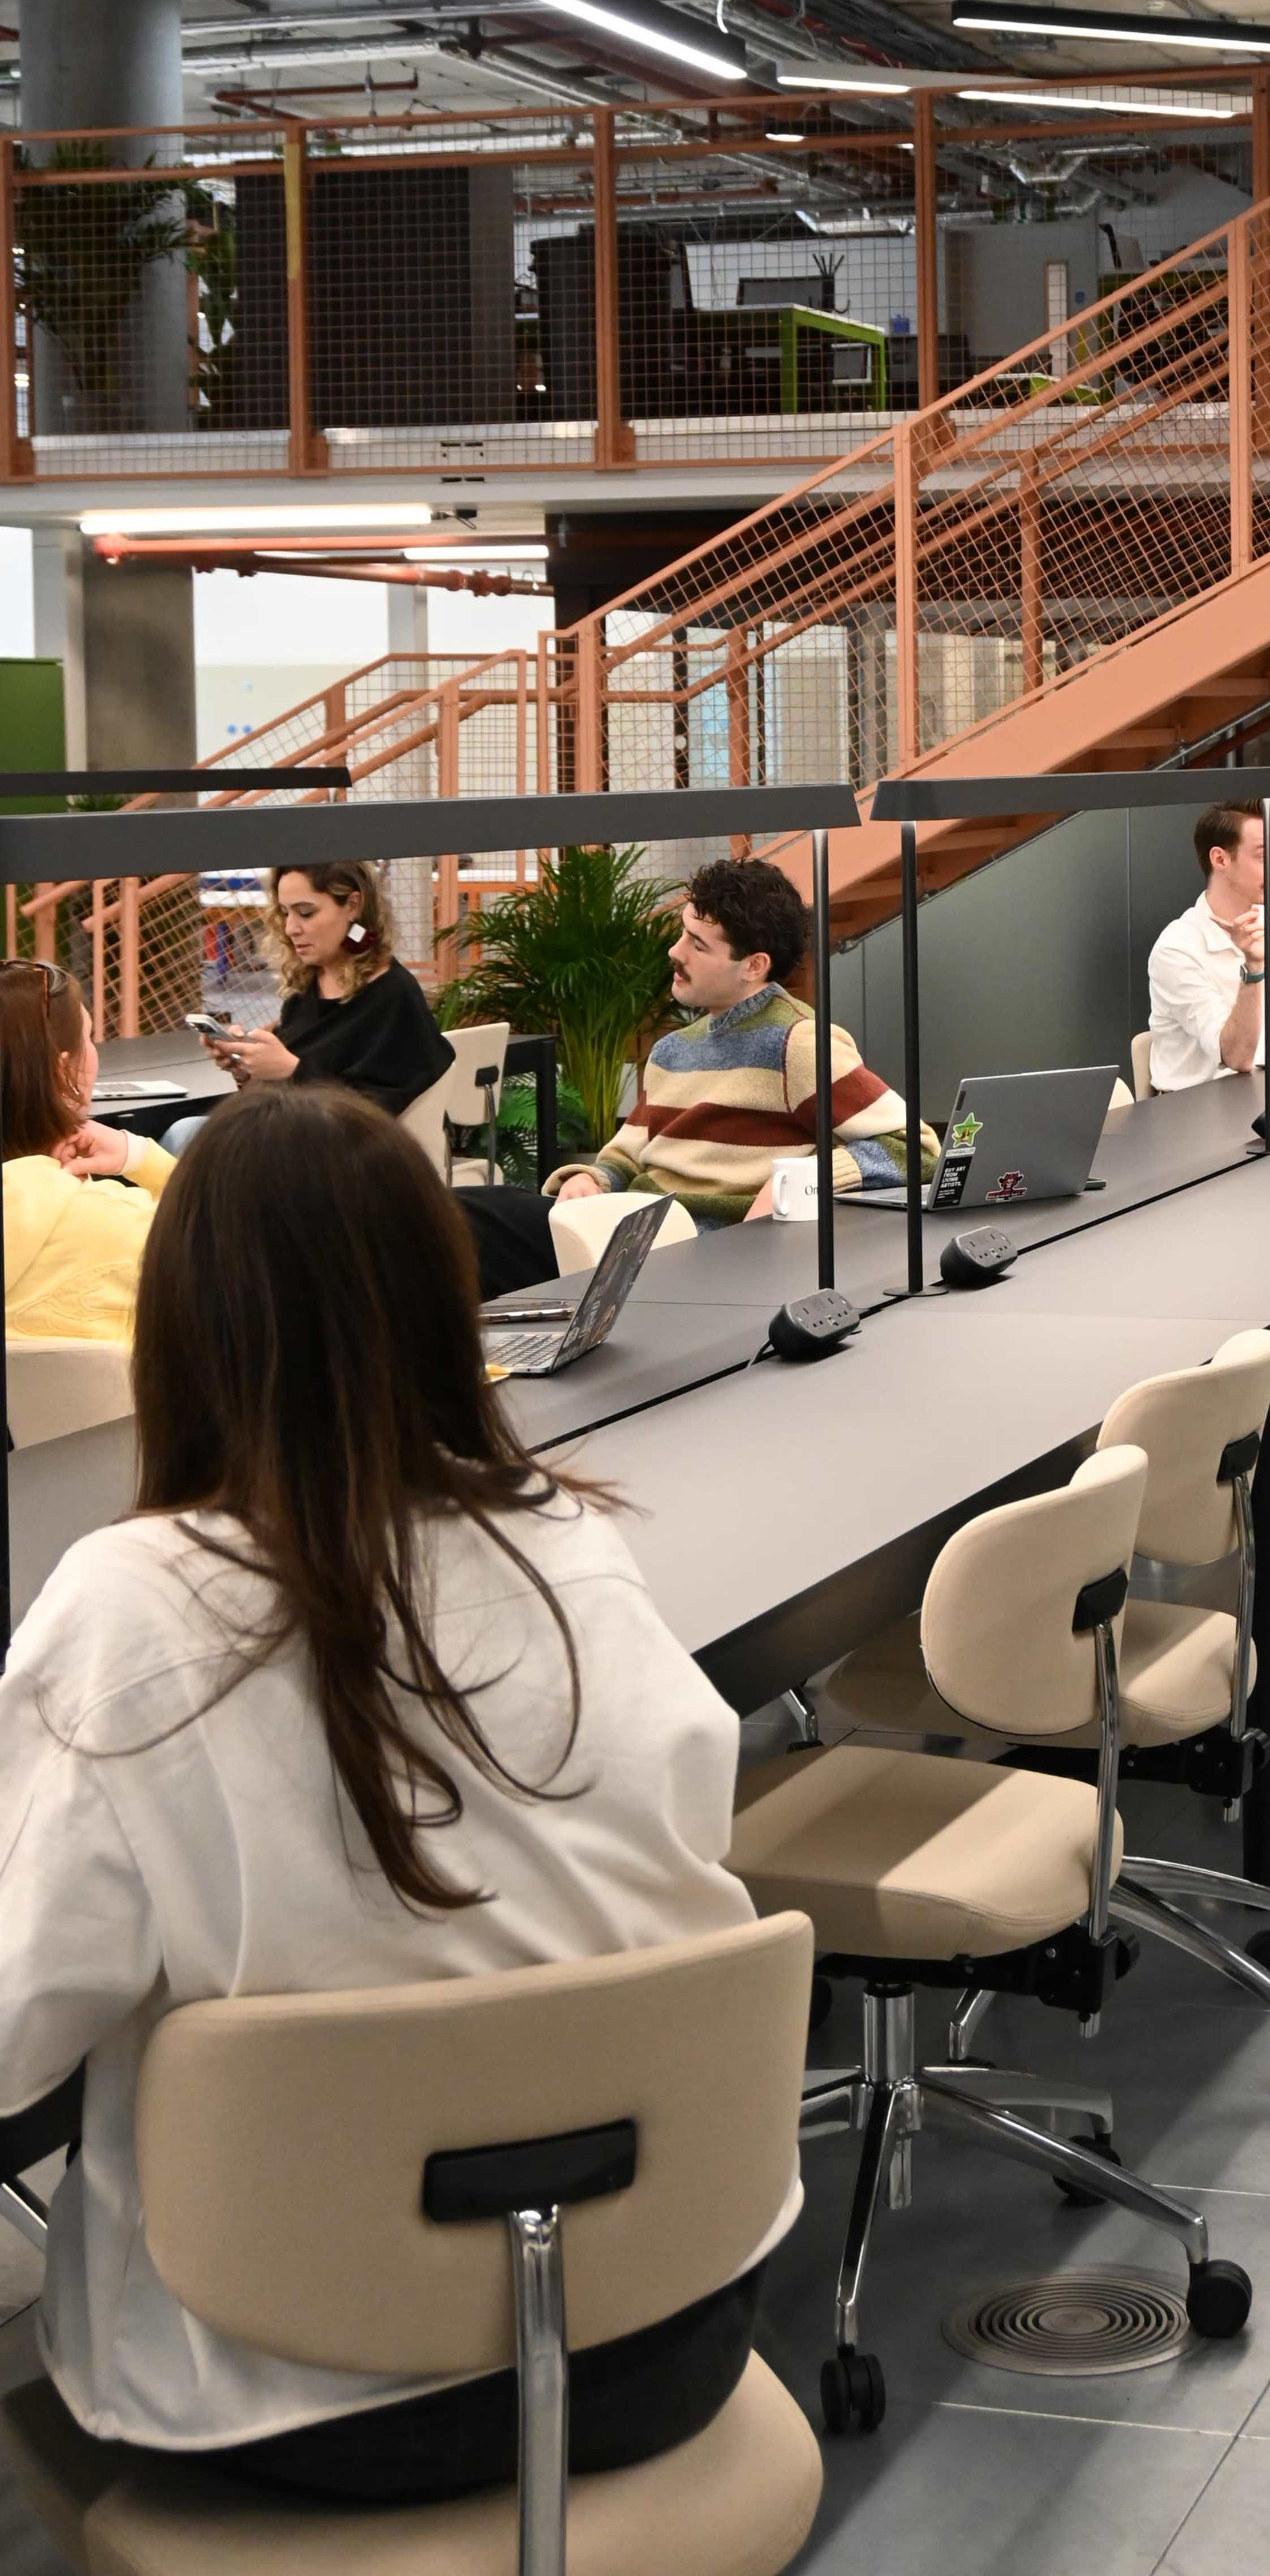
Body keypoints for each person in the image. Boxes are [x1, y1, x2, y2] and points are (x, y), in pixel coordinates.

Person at [0, 1085, 791, 2499]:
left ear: (180, 1328)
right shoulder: (569, 1541)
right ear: (448, 1300)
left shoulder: (129, 1603)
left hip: (286, 2391)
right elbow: (684, 1831)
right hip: (657, 2322)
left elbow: (17, 2028)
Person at [457, 853, 935, 1296]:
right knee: (457, 1221)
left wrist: (800, 1180)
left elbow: (915, 1146)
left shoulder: (798, 1043)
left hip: (690, 1248)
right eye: (683, 932)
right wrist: (594, 1179)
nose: (674, 951)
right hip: (628, 1227)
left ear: (753, 966)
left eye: (697, 944)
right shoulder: (672, 1051)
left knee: (461, 1222)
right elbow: (626, 1158)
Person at [175, 857, 451, 1141]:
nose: (291, 928)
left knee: (186, 1137)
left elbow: (369, 1120)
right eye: (285, 914)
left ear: (353, 906)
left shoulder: (392, 994)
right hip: (291, 1139)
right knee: (182, 1133)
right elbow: (282, 1101)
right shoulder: (306, 990)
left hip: (342, 1162)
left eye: (306, 913)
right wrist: (246, 1070)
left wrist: (291, 1070)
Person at [2, 955, 175, 1339]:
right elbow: (247, 1243)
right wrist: (142, 1157)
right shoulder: (130, 1225)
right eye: (90, 1038)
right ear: (63, 1071)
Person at [1148, 799, 1270, 1093]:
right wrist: (1254, 970)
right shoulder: (1176, 948)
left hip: (1257, 1097)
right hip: (1190, 1112)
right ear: (1220, 859)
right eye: (1264, 857)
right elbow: (1237, 1057)